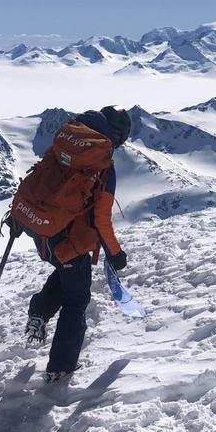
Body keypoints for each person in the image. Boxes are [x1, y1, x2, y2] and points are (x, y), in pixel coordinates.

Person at [9, 107, 130, 383]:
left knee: (66, 275)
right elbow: (101, 220)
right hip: (70, 241)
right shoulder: (101, 164)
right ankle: (60, 367)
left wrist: (18, 215)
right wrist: (116, 253)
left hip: (41, 231)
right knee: (76, 301)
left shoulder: (66, 141)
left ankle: (39, 311)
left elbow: (38, 178)